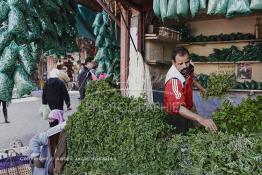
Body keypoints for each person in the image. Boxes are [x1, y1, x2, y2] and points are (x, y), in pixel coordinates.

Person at [164, 47, 217, 134]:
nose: (184, 66)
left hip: (188, 105)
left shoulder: (188, 66)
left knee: (197, 130)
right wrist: (200, 118)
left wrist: (202, 89)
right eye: (180, 63)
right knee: (181, 135)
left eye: (186, 62)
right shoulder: (173, 81)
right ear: (173, 63)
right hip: (176, 114)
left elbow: (191, 77)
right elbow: (178, 108)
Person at [29, 110, 66, 175]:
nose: (50, 121)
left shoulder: (61, 130)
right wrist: (35, 156)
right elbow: (34, 140)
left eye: (52, 119)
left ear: (58, 118)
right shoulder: (49, 133)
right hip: (47, 161)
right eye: (49, 119)